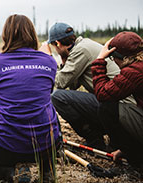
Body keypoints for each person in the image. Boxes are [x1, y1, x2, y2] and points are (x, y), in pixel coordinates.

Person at [0, 14, 60, 183]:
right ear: (32, 34)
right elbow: (42, 95)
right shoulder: (49, 62)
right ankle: (47, 170)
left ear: (5, 36)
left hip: (6, 143)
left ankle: (10, 173)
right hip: (46, 142)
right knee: (48, 112)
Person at [39, 22, 129, 150]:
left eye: (53, 46)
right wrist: (64, 61)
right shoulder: (82, 46)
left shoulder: (81, 50)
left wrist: (47, 57)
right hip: (114, 105)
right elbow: (73, 86)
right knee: (62, 97)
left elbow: (58, 83)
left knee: (58, 97)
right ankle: (100, 137)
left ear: (57, 44)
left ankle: (94, 140)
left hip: (119, 107)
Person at [91, 31, 143, 166]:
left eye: (113, 57)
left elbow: (103, 94)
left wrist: (99, 61)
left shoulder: (135, 71)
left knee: (107, 109)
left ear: (125, 58)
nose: (113, 61)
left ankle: (137, 160)